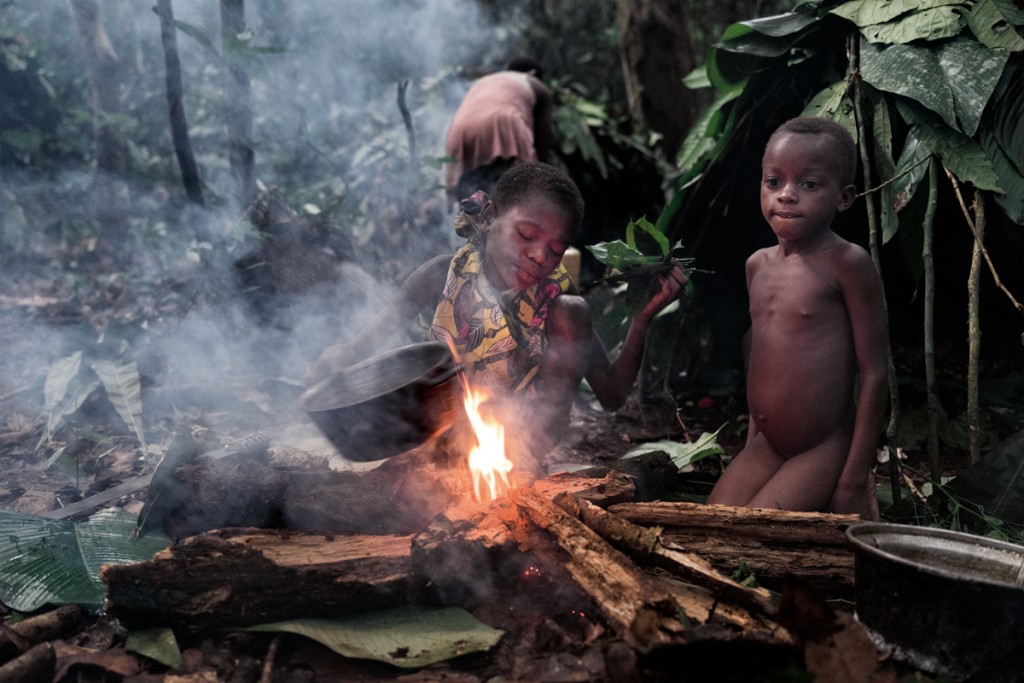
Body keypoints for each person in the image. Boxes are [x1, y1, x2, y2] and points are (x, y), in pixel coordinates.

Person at [308, 162, 686, 469]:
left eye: (555, 250)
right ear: (490, 216)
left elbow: (613, 394)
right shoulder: (440, 275)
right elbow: (359, 348)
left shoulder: (556, 303)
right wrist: (339, 361)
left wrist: (641, 320)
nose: (540, 255)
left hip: (513, 449)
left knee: (573, 312)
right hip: (434, 439)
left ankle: (517, 466)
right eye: (526, 234)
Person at [706, 116, 889, 520]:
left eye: (809, 184)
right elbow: (762, 358)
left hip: (822, 445)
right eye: (774, 182)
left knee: (750, 531)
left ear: (843, 198)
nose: (787, 195)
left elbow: (874, 373)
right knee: (713, 521)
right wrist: (755, 438)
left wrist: (853, 478)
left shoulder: (848, 264)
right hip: (768, 444)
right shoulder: (757, 265)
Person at [443, 58, 554, 207]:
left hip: (459, 129)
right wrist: (541, 175)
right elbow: (542, 140)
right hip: (503, 123)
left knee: (471, 197)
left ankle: (467, 225)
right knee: (526, 189)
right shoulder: (535, 83)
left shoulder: (484, 81)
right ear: (532, 73)